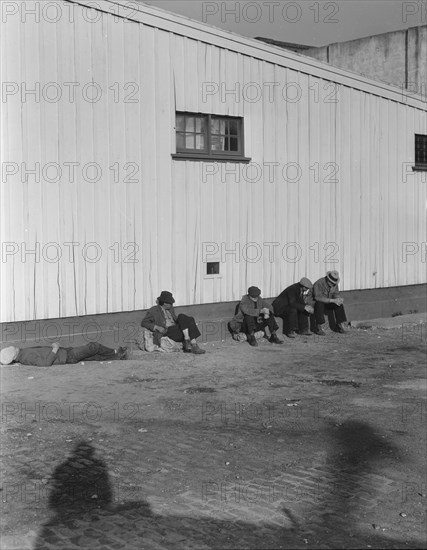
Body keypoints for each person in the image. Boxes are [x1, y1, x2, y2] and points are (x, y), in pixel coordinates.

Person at [141, 291, 206, 354]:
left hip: (176, 330)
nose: (172, 304)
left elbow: (176, 320)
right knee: (185, 321)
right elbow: (144, 322)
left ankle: (187, 340)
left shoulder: (170, 309)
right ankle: (194, 345)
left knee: (186, 318)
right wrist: (157, 327)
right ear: (165, 303)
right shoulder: (154, 311)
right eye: (170, 303)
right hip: (167, 331)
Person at [0, 342, 128, 366]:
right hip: (67, 356)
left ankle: (118, 357)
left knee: (95, 356)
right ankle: (115, 352)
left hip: (65, 353)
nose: (15, 347)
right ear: (14, 354)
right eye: (13, 348)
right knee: (93, 347)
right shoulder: (26, 357)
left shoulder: (23, 354)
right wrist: (55, 348)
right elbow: (44, 363)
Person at [312, 270, 348, 335]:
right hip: (319, 302)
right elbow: (317, 297)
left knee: (339, 305)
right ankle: (318, 326)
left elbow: (336, 293)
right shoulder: (319, 283)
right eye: (331, 282)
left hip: (329, 301)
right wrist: (333, 300)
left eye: (334, 283)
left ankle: (340, 324)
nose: (332, 284)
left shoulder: (335, 284)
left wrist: (338, 299)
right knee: (319, 304)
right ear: (327, 279)